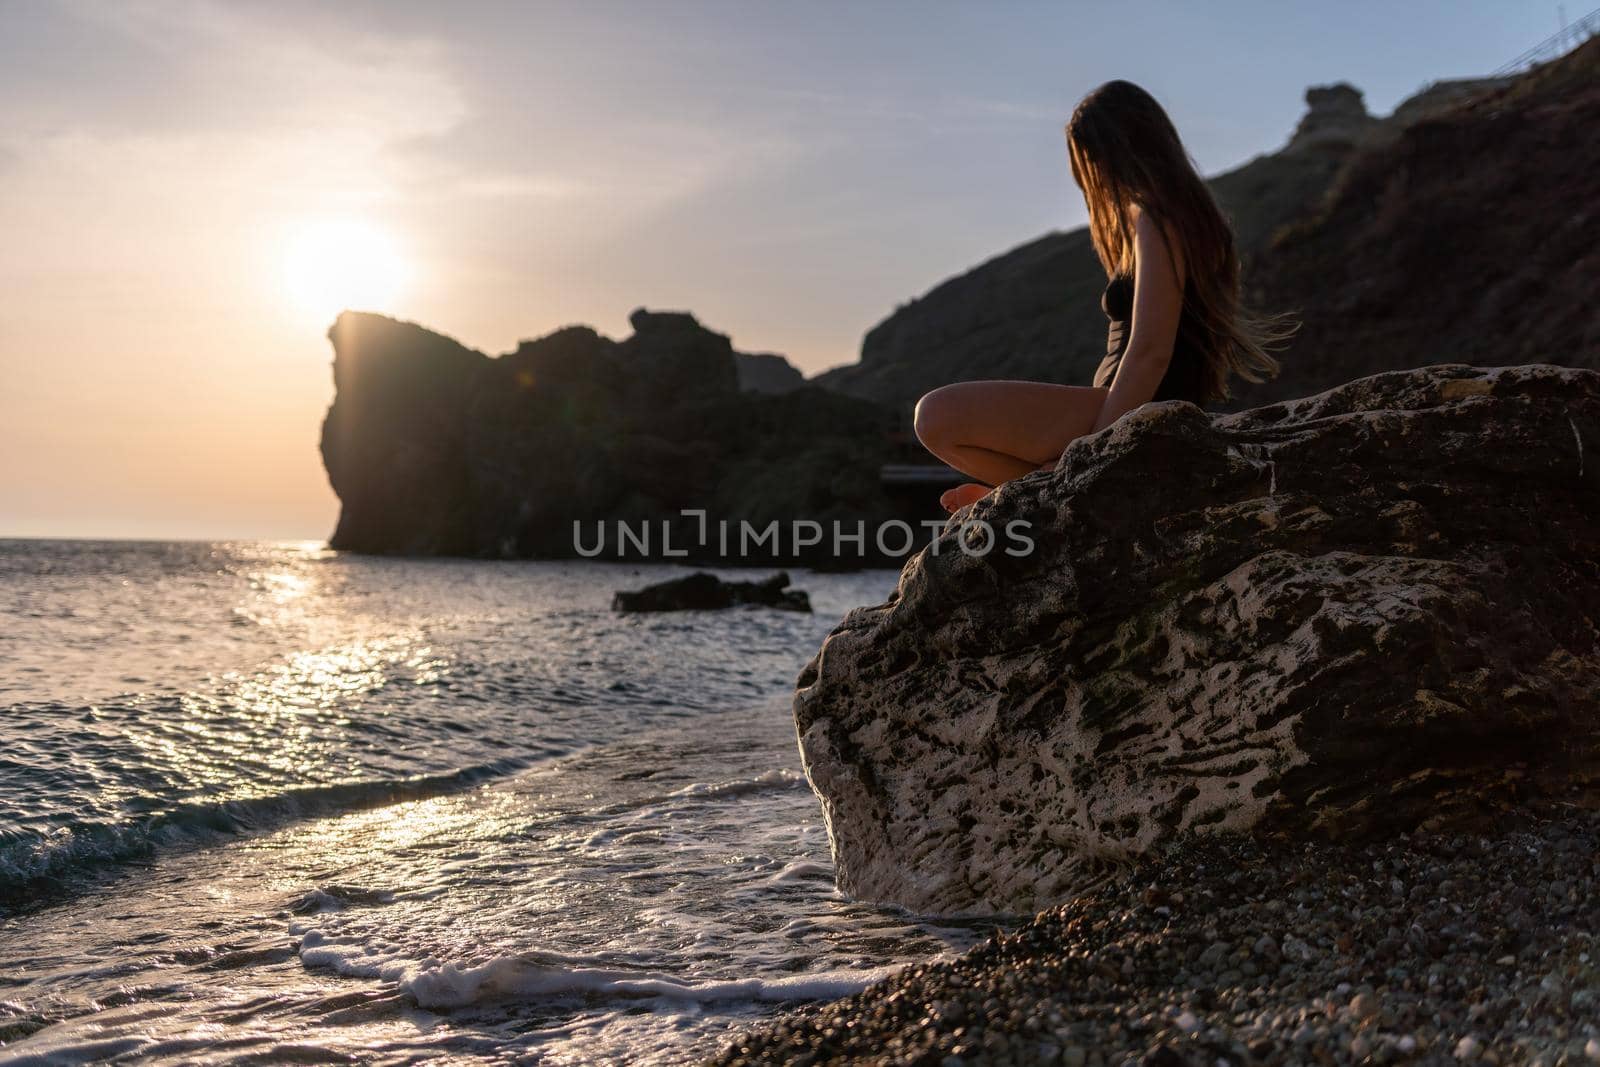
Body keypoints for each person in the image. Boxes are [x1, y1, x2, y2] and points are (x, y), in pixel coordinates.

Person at [913, 79, 1300, 514]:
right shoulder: (1175, 216)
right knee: (938, 421)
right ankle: (1038, 490)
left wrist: (1097, 450)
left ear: (1110, 151)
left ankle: (1043, 490)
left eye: (1086, 161)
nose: (1087, 178)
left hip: (1141, 409)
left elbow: (1150, 350)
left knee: (936, 415)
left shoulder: (1157, 215)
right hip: (1130, 406)